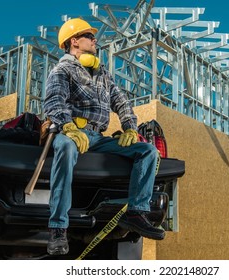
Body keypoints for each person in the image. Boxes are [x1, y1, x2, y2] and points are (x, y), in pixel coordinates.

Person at [43, 18, 165, 255]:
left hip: (97, 138)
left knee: (148, 151)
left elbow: (122, 102)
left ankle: (136, 213)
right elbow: (54, 101)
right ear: (74, 41)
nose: (94, 39)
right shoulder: (62, 70)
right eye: (89, 36)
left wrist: (130, 127)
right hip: (70, 133)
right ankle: (58, 228)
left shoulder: (102, 74)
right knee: (66, 148)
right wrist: (68, 127)